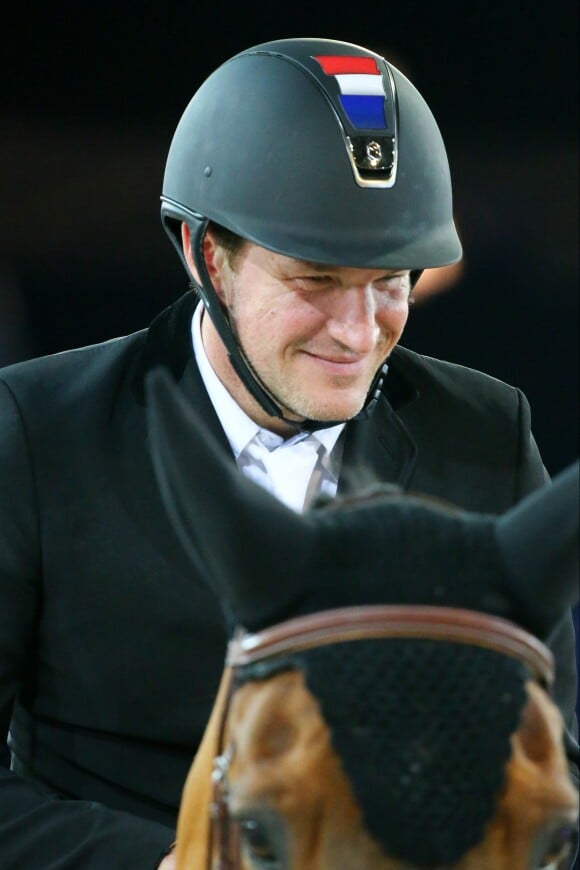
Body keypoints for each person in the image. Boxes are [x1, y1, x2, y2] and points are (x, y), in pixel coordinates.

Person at [0, 37, 577, 869]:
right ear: (209, 258)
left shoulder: (486, 434)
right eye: (315, 282)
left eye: (390, 283)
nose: (358, 332)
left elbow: (561, 753)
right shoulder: (34, 432)